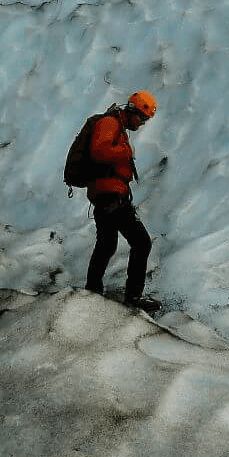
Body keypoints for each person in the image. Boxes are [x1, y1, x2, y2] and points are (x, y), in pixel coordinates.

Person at [84, 90, 160, 311]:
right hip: (111, 195)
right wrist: (125, 151)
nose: (143, 123)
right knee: (141, 242)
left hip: (105, 194)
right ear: (133, 111)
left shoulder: (115, 124)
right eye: (143, 118)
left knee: (107, 244)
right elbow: (99, 151)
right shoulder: (110, 123)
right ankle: (133, 297)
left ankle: (92, 288)